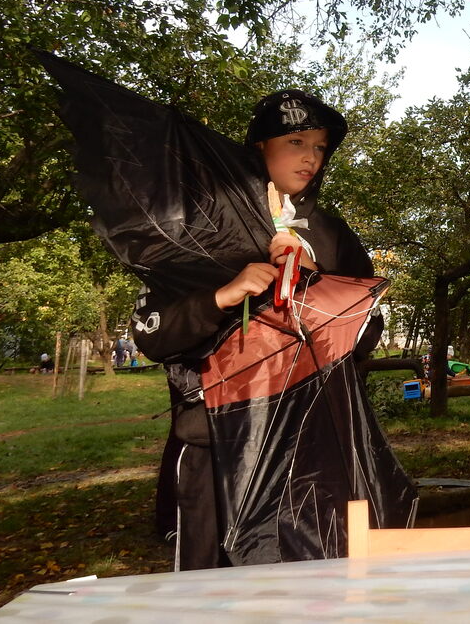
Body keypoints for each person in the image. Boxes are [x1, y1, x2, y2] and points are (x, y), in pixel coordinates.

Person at [133, 88, 414, 569]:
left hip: (315, 452)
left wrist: (313, 285)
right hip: (218, 449)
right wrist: (221, 297)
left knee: (316, 586)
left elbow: (366, 331)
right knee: (216, 593)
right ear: (259, 146)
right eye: (296, 142)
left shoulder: (331, 234)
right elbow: (152, 334)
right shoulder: (198, 226)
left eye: (320, 147)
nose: (311, 158)